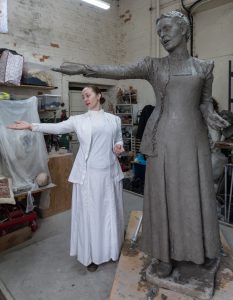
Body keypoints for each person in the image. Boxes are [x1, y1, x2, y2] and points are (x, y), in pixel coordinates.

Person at [52, 11, 229, 277]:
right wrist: (84, 68)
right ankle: (165, 255)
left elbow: (203, 103)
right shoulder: (153, 65)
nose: (163, 35)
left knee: (195, 195)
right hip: (162, 138)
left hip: (193, 139)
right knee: (164, 197)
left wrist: (211, 114)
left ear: (184, 29)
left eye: (167, 28)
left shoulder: (203, 68)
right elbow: (120, 71)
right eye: (159, 32)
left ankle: (199, 250)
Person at [7, 85, 125, 272]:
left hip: (109, 175)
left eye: (88, 95)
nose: (85, 99)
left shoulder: (114, 120)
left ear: (98, 96)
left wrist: (119, 146)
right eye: (83, 96)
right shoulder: (78, 120)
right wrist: (31, 126)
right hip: (88, 177)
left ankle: (111, 249)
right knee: (91, 216)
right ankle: (92, 255)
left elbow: (118, 139)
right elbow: (56, 127)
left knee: (109, 213)